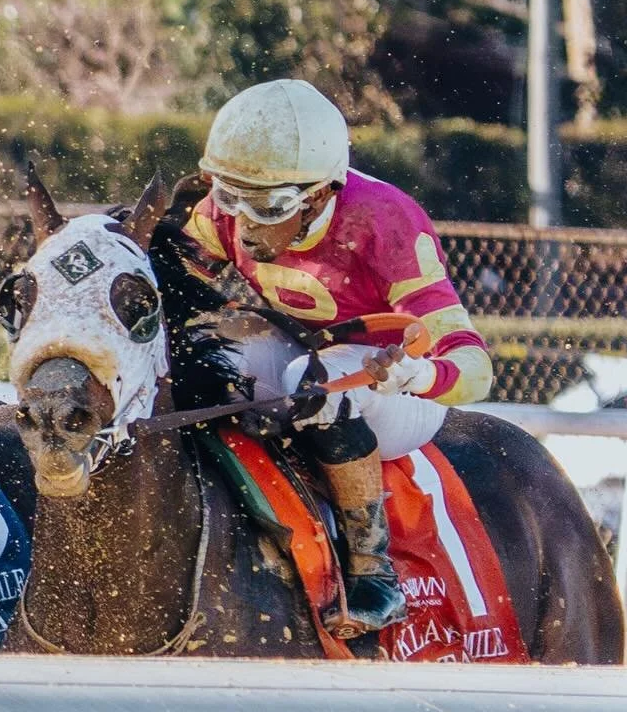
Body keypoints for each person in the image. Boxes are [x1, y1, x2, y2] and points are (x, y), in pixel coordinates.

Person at [174, 77, 492, 633]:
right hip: (308, 366)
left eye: (266, 206)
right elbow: (167, 283)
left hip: (391, 391)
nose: (242, 225)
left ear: (319, 195)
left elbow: (477, 373)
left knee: (312, 378)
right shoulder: (230, 211)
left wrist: (416, 373)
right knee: (205, 349)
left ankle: (375, 574)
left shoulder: (385, 221)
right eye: (228, 197)